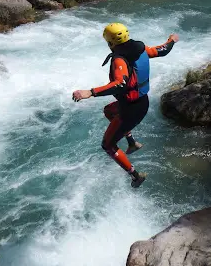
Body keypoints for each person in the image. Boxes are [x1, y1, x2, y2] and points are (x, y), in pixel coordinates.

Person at [72, 23, 179, 188]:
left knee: (107, 145)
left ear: (109, 42)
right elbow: (162, 50)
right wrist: (171, 40)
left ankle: (136, 176)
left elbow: (120, 84)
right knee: (108, 111)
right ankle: (132, 143)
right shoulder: (140, 49)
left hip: (131, 110)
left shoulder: (119, 59)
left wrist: (90, 92)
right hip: (140, 103)